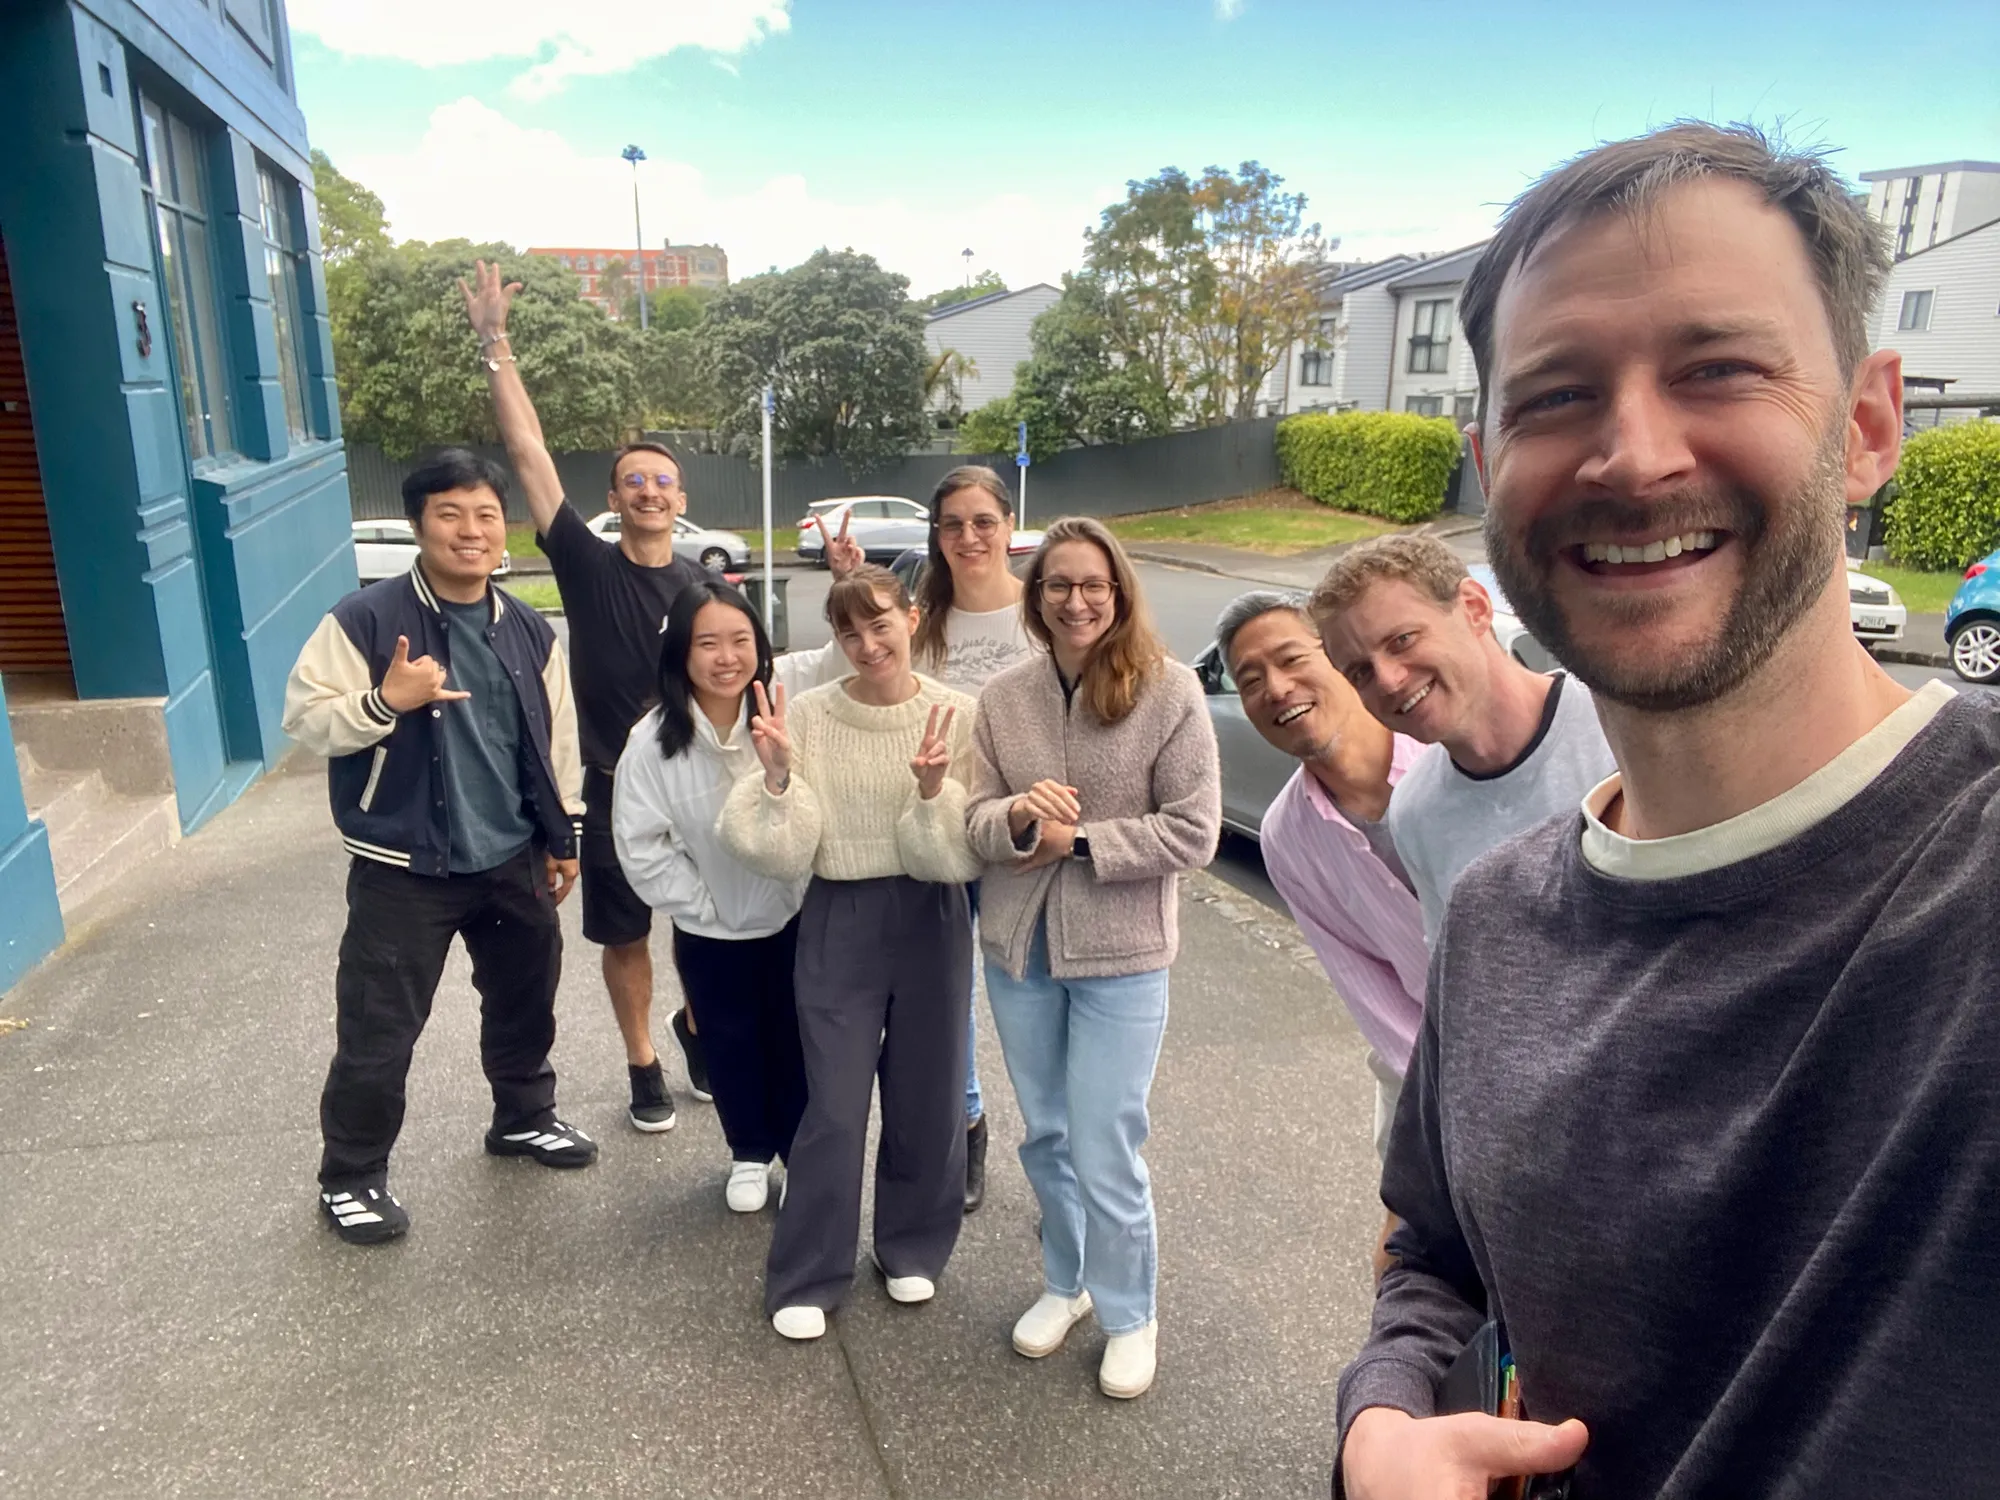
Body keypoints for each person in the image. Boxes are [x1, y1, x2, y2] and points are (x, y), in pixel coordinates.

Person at [1334, 122, 2000, 1500]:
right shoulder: (1500, 916)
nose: (1632, 456)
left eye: (1719, 369)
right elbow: (1435, 1256)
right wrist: (1381, 1425)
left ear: (1867, 427)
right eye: (1556, 396)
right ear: (1487, 461)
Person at [463, 260, 857, 1135]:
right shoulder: (585, 562)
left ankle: (696, 1025)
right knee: (626, 936)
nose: (648, 490)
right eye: (633, 481)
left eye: (663, 482)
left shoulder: (702, 592)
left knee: (705, 925)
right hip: (611, 786)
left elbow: (773, 672)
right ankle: (644, 1060)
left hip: (704, 785)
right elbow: (528, 453)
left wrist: (847, 592)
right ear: (614, 499)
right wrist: (497, 343)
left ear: (680, 502)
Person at [283, 449, 594, 1246]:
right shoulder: (364, 620)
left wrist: (565, 834)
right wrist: (385, 700)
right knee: (379, 1028)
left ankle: (524, 1118)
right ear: (419, 524)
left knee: (527, 1002)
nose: (471, 530)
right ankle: (351, 1175)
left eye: (486, 514)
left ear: (504, 529)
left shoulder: (525, 625)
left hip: (513, 856)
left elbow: (554, 741)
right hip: (404, 869)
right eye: (451, 514)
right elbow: (306, 720)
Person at [966, 518, 1220, 1401]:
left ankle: (1129, 1313)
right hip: (1019, 951)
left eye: (1093, 585)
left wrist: (1077, 842)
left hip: (1123, 955)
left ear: (1118, 594)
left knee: (1107, 1140)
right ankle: (1066, 1283)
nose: (1076, 601)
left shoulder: (1169, 690)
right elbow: (975, 819)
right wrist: (1019, 823)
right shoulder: (1002, 698)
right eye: (1058, 586)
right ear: (1035, 600)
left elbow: (1194, 831)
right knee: (1047, 1134)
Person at [719, 565, 981, 1341]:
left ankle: (911, 1246)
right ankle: (807, 1271)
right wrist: (775, 781)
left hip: (931, 911)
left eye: (880, 624)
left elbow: (958, 857)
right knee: (832, 1103)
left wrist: (933, 795)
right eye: (849, 632)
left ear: (913, 616)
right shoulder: (809, 714)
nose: (867, 645)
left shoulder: (959, 714)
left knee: (929, 1095)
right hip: (838, 911)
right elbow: (787, 850)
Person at [612, 579, 822, 1213]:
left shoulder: (794, 713)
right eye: (708, 643)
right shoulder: (652, 742)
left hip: (798, 919)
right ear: (681, 653)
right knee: (730, 1042)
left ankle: (801, 1155)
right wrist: (707, 910)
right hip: (714, 931)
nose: (727, 657)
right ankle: (749, 1153)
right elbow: (641, 845)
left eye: (740, 640)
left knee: (797, 1042)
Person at [1309, 533, 1615, 947]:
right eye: (1361, 672)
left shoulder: (1621, 727)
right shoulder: (1415, 812)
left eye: (1402, 640)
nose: (1389, 680)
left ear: (1474, 608)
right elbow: (1461, 978)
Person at [1214, 591, 1426, 1176]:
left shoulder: (1446, 753)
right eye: (1249, 679)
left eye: (1291, 659)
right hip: (1424, 1081)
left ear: (1337, 654)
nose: (1275, 689)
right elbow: (1374, 996)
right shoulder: (1287, 838)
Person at [911, 465, 1041, 1213]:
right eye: (952, 524)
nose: (967, 537)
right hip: (944, 838)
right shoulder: (919, 622)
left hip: (1027, 839)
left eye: (982, 521)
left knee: (1033, 1001)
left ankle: (1056, 1159)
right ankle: (968, 1126)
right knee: (946, 997)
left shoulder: (1042, 616)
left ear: (1008, 525)